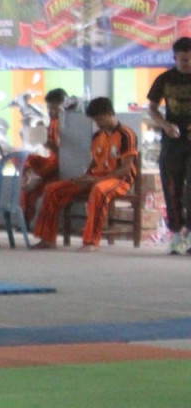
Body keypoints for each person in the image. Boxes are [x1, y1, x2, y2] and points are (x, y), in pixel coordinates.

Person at [32, 97, 138, 251]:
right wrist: (86, 177)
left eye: (100, 119)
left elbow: (125, 169)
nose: (98, 123)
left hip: (119, 179)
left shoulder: (127, 135)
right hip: (95, 178)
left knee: (99, 190)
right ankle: (47, 239)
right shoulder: (97, 136)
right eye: (95, 120)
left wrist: (97, 180)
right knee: (52, 190)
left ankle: (91, 242)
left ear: (110, 114)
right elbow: (95, 161)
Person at [146, 36, 191, 254]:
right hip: (172, 140)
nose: (188, 63)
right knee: (171, 186)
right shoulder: (164, 79)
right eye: (184, 60)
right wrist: (165, 125)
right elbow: (152, 109)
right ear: (175, 58)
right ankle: (176, 233)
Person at [21, 88, 68, 223]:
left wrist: (47, 142)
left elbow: (66, 154)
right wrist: (39, 133)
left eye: (55, 109)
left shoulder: (69, 124)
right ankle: (25, 221)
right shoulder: (53, 122)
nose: (51, 112)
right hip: (51, 162)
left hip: (60, 166)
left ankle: (34, 175)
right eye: (49, 108)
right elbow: (48, 144)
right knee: (25, 160)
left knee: (36, 185)